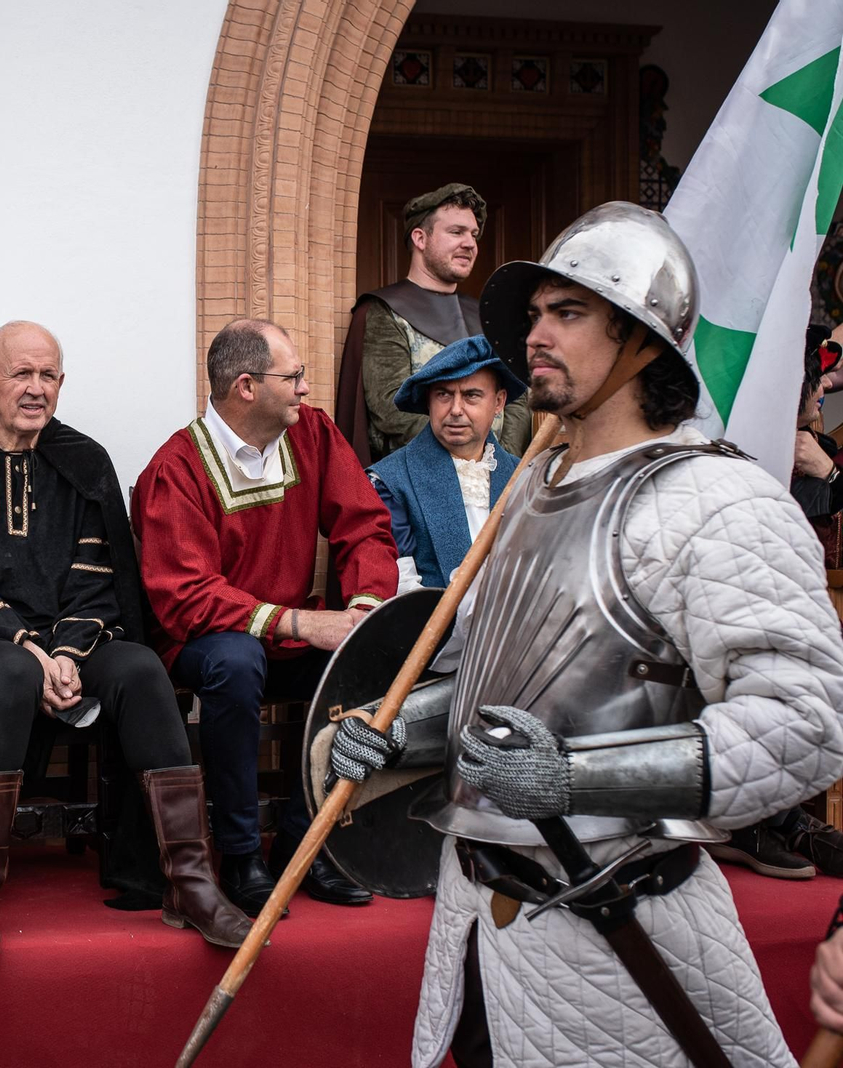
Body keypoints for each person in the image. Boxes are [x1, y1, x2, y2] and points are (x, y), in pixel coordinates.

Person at [332, 203, 843, 1067]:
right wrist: (399, 732)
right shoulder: (534, 489)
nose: (537, 334)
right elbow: (505, 688)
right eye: (534, 314)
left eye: (567, 313)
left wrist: (570, 777)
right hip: (478, 917)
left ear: (644, 342)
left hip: (616, 923)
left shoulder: (719, 501)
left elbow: (807, 723)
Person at [0, 320, 250, 960]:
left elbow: (99, 572)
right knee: (12, 675)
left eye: (47, 375)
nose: (35, 389)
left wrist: (65, 652)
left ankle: (189, 882)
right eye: (21, 374)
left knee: (139, 668)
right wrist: (29, 647)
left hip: (73, 641)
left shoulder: (82, 459)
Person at [132, 318, 399, 915]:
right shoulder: (175, 470)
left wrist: (360, 607)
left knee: (361, 656)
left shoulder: (315, 436)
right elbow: (185, 596)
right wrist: (303, 623)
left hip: (281, 635)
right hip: (203, 642)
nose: (306, 388)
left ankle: (308, 845)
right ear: (247, 387)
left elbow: (366, 528)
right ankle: (240, 852)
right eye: (294, 376)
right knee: (236, 660)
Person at [708, 328, 843, 880]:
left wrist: (828, 475)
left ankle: (791, 819)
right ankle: (758, 822)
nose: (819, 399)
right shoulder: (741, 443)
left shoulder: (825, 450)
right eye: (811, 389)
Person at [334, 182, 531, 464]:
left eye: (473, 235)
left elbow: (516, 401)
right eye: (456, 232)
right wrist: (464, 457)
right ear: (420, 238)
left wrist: (497, 460)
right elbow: (391, 409)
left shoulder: (486, 316)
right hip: (419, 478)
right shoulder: (384, 312)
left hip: (493, 473)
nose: (470, 243)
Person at [367, 335, 526, 592]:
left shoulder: (524, 477)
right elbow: (399, 590)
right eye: (444, 395)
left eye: (471, 396)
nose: (455, 409)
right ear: (429, 401)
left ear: (498, 402)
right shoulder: (388, 482)